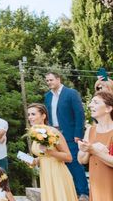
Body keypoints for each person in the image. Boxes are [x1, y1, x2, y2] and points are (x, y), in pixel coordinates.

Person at [44, 72, 88, 200]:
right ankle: (71, 191)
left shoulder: (71, 93)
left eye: (51, 80)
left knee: (74, 163)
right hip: (54, 135)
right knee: (62, 164)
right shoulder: (47, 96)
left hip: (71, 135)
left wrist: (78, 134)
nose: (49, 82)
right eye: (47, 81)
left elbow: (80, 114)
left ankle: (83, 193)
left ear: (58, 79)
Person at [26, 103, 77, 201]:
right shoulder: (34, 132)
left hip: (57, 174)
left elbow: (69, 157)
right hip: (45, 175)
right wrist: (34, 161)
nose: (30, 117)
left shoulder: (52, 132)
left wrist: (50, 152)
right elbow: (43, 156)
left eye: (33, 114)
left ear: (43, 116)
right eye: (29, 115)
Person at [78, 91, 113, 201]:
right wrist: (85, 149)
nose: (90, 105)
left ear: (108, 109)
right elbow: (81, 160)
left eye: (96, 102)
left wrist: (93, 150)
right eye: (91, 102)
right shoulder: (90, 130)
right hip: (96, 183)